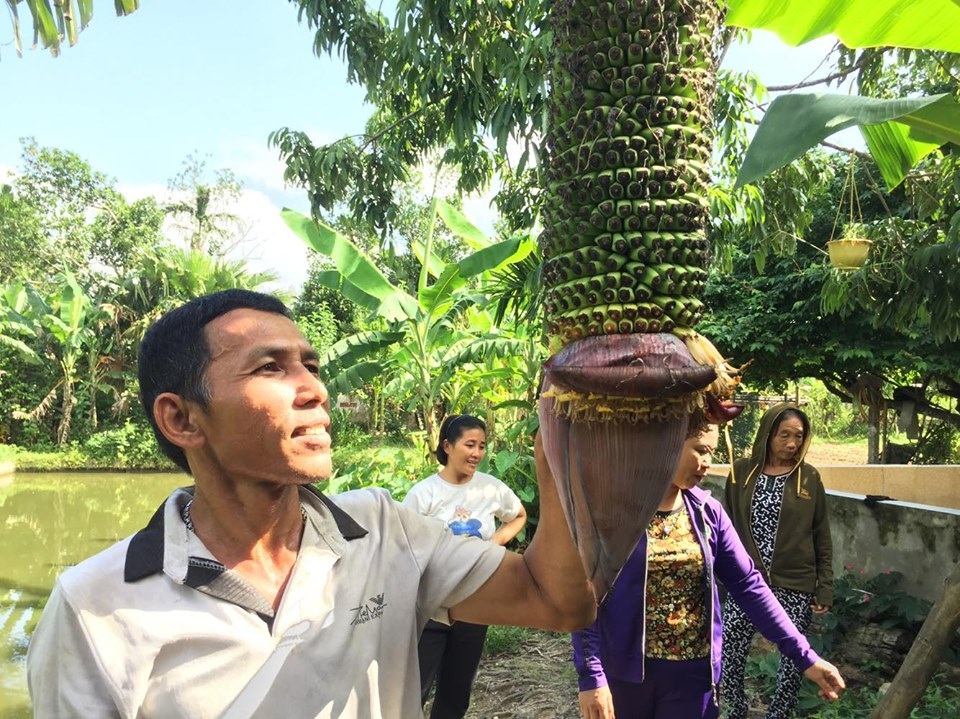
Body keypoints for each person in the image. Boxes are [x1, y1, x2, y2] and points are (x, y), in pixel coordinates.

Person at [26, 289, 594, 719]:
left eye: (312, 366)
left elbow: (557, 602)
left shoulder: (383, 529)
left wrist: (564, 460)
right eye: (270, 367)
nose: (316, 390)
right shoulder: (95, 604)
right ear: (181, 419)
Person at [572, 420, 844, 719]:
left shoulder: (707, 513)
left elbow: (748, 586)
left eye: (712, 453)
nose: (707, 463)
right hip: (624, 676)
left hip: (693, 678)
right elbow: (586, 596)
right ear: (667, 443)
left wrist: (805, 657)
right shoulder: (612, 513)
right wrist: (592, 676)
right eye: (701, 451)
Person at [403, 413, 528, 719]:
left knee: (456, 694)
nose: (477, 453)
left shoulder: (491, 488)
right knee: (413, 690)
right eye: (469, 444)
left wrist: (494, 543)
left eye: (482, 446)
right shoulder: (424, 494)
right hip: (431, 605)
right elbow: (402, 545)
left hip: (476, 604)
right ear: (447, 445)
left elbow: (519, 515)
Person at [722, 403, 833, 719]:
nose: (792, 443)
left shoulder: (808, 478)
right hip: (746, 580)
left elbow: (821, 534)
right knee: (731, 646)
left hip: (794, 582)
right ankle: (735, 709)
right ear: (768, 434)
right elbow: (726, 525)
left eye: (798, 436)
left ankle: (779, 713)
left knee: (793, 655)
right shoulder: (740, 472)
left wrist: (823, 586)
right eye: (784, 434)